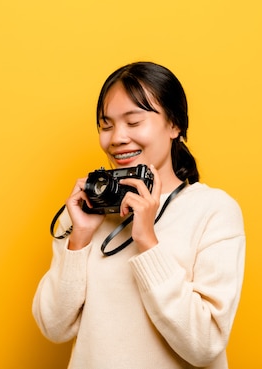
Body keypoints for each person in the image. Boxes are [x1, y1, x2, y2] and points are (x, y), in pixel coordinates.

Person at [32, 61, 245, 368]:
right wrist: (79, 238)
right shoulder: (83, 214)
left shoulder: (213, 210)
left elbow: (205, 345)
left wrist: (147, 242)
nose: (117, 138)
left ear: (174, 126)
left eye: (133, 123)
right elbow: (53, 328)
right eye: (106, 125)